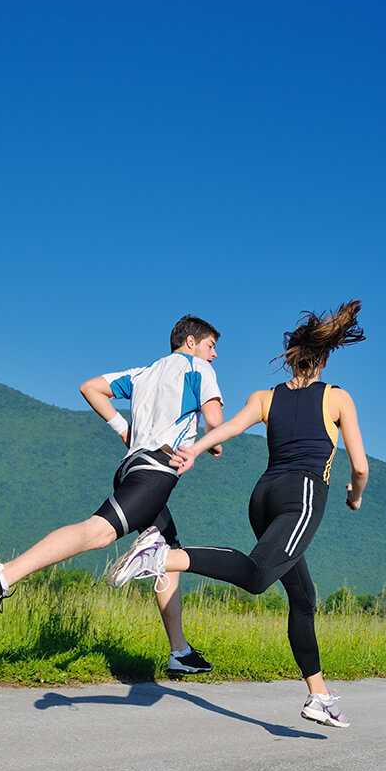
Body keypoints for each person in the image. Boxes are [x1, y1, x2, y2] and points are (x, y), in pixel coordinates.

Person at [108, 301, 369, 727]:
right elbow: (359, 467)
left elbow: (228, 427)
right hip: (301, 496)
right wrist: (355, 497)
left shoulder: (265, 398)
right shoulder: (338, 398)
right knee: (255, 576)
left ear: (291, 357)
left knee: (303, 598)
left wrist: (192, 447)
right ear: (321, 358)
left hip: (262, 498)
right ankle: (162, 557)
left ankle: (318, 695)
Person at [0, 315, 225, 677]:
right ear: (191, 342)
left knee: (167, 553)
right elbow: (214, 418)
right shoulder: (197, 368)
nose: (214, 356)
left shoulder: (144, 374)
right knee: (98, 533)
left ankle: (179, 650)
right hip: (156, 472)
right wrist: (214, 443)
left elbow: (90, 387)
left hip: (131, 467)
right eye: (211, 346)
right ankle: (2, 574)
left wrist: (123, 429)